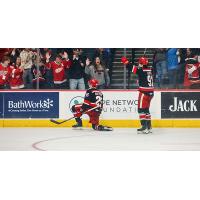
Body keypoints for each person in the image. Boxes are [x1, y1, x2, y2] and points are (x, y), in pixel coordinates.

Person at [122, 56, 154, 134]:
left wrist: (126, 62)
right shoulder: (150, 70)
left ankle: (144, 127)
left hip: (144, 93)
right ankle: (149, 127)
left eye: (139, 63)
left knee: (141, 110)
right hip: (151, 93)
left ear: (142, 64)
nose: (138, 64)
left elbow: (131, 67)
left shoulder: (141, 70)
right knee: (146, 109)